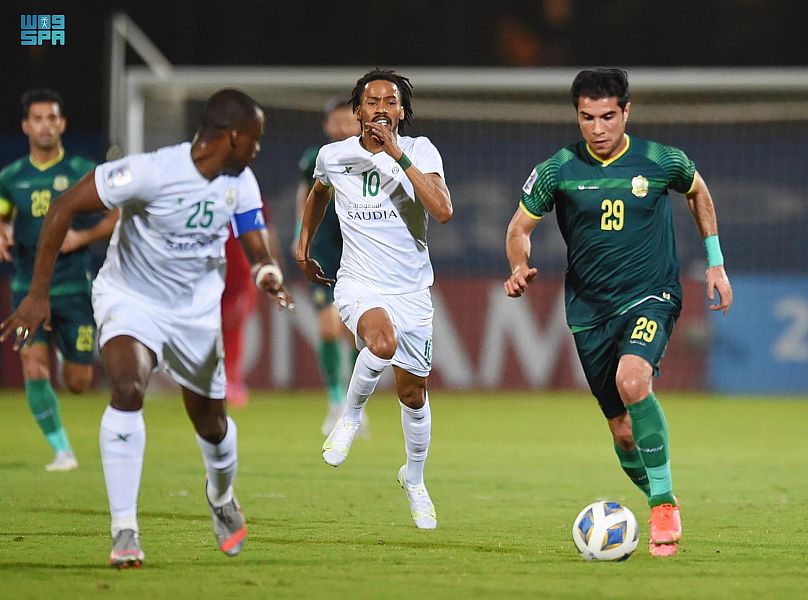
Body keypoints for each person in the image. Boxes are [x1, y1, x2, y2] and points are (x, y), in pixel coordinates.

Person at [1, 89, 292, 568]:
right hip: (130, 298)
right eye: (254, 139)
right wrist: (37, 294)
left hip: (195, 313)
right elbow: (62, 208)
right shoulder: (150, 171)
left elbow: (254, 242)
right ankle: (125, 530)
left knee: (213, 425)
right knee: (127, 388)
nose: (257, 149)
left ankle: (221, 497)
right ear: (232, 136)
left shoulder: (240, 180)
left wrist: (267, 272)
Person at [504, 68, 733, 557]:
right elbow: (519, 227)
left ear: (627, 111)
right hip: (589, 311)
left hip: (652, 295)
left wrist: (715, 262)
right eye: (587, 118)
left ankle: (663, 504)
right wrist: (519, 265)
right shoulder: (558, 169)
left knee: (633, 379)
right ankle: (657, 496)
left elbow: (698, 190)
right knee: (623, 432)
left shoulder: (660, 160)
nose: (598, 128)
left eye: (608, 116)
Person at [297, 69, 452, 529]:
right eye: (372, 101)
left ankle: (414, 478)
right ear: (358, 111)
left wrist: (397, 155)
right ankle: (349, 418)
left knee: (413, 394)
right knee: (380, 343)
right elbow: (318, 192)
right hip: (359, 282)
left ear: (402, 112)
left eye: (390, 102)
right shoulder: (333, 156)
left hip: (412, 291)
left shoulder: (421, 150)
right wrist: (304, 246)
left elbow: (443, 210)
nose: (381, 108)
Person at [0, 88, 118, 472]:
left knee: (79, 382)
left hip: (73, 288)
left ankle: (70, 352)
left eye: (52, 118)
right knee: (34, 367)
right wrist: (2, 230)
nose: (45, 126)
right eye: (37, 119)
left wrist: (83, 237)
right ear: (25, 126)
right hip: (28, 288)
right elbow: (3, 215)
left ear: (62, 123)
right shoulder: (10, 178)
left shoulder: (83, 171)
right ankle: (62, 451)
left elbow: (117, 213)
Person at [295, 97, 361, 434]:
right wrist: (301, 235)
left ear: (359, 122)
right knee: (328, 326)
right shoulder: (316, 159)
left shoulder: (369, 157)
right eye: (336, 122)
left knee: (354, 331)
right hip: (323, 249)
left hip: (357, 250)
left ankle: (354, 405)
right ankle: (336, 402)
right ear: (326, 125)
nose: (342, 128)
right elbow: (306, 196)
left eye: (348, 121)